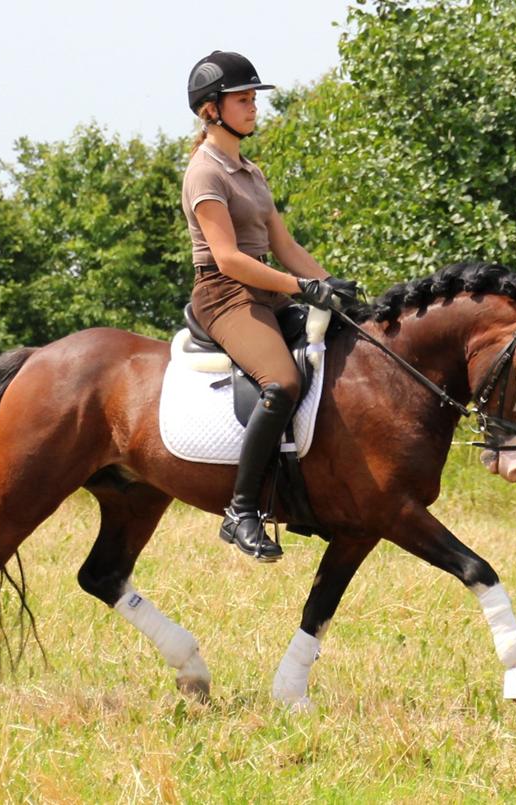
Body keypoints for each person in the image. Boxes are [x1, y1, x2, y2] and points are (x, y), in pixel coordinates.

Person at [182, 50, 356, 562]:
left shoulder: (251, 171)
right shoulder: (204, 174)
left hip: (266, 291)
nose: (253, 106)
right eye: (243, 99)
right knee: (282, 383)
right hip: (225, 294)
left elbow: (284, 245)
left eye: (253, 97)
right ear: (211, 109)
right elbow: (230, 258)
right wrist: (303, 288)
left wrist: (332, 284)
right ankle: (241, 512)